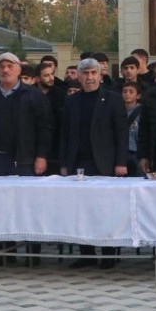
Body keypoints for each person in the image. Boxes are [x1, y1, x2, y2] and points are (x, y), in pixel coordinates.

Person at [60, 58, 129, 267]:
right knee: (81, 211)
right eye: (85, 73)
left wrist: (121, 162)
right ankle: (86, 254)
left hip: (105, 163)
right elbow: (64, 134)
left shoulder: (114, 99)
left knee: (105, 210)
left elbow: (121, 133)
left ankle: (108, 254)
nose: (89, 77)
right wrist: (64, 164)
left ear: (100, 75)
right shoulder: (71, 100)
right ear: (78, 76)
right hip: (78, 163)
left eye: (93, 73)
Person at [0, 53, 51, 178]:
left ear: (19, 69)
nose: (5, 70)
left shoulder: (34, 95)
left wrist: (41, 156)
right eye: (1, 66)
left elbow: (44, 129)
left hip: (24, 161)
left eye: (10, 66)